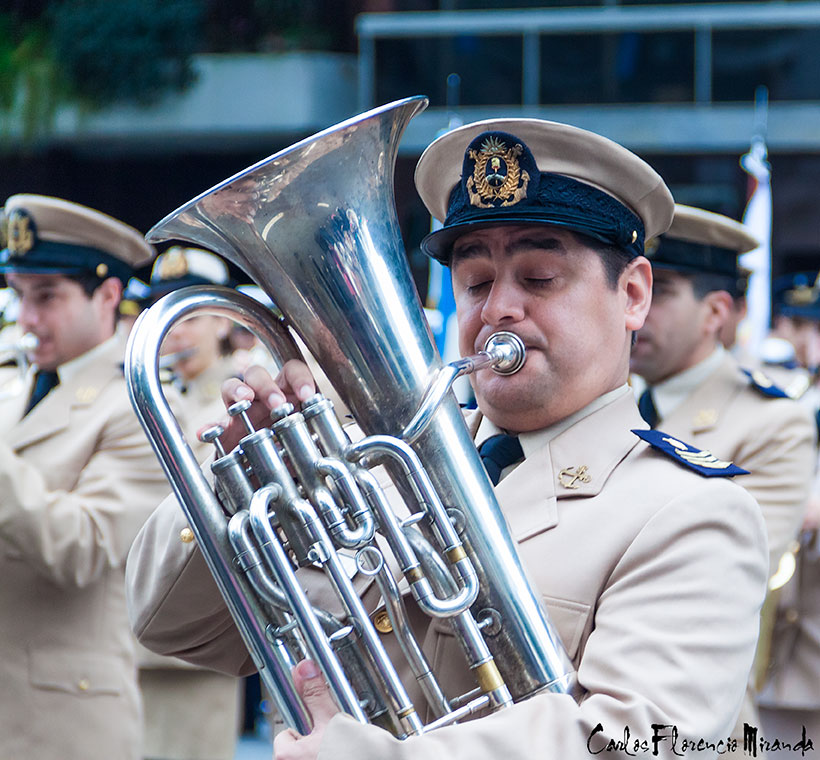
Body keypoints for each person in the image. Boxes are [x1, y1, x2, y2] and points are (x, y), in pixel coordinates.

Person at [126, 119, 769, 759]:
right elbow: (179, 630)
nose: (497, 310)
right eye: (477, 282)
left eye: (539, 278)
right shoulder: (371, 465)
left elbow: (634, 741)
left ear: (632, 295)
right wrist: (242, 483)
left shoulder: (691, 512)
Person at [0, 194, 179, 760]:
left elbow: (84, 547)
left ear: (107, 295)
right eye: (19, 296)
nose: (26, 318)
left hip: (61, 723)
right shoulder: (9, 386)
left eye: (47, 297)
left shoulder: (139, 406)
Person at [629, 204, 815, 577]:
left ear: (715, 313)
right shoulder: (614, 400)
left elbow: (723, 579)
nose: (635, 306)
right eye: (628, 287)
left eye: (659, 291)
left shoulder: (775, 423)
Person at [135, 246, 243, 760]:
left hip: (199, 647)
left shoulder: (238, 395)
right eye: (164, 312)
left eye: (191, 315)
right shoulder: (153, 391)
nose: (175, 331)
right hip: (129, 638)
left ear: (225, 320)